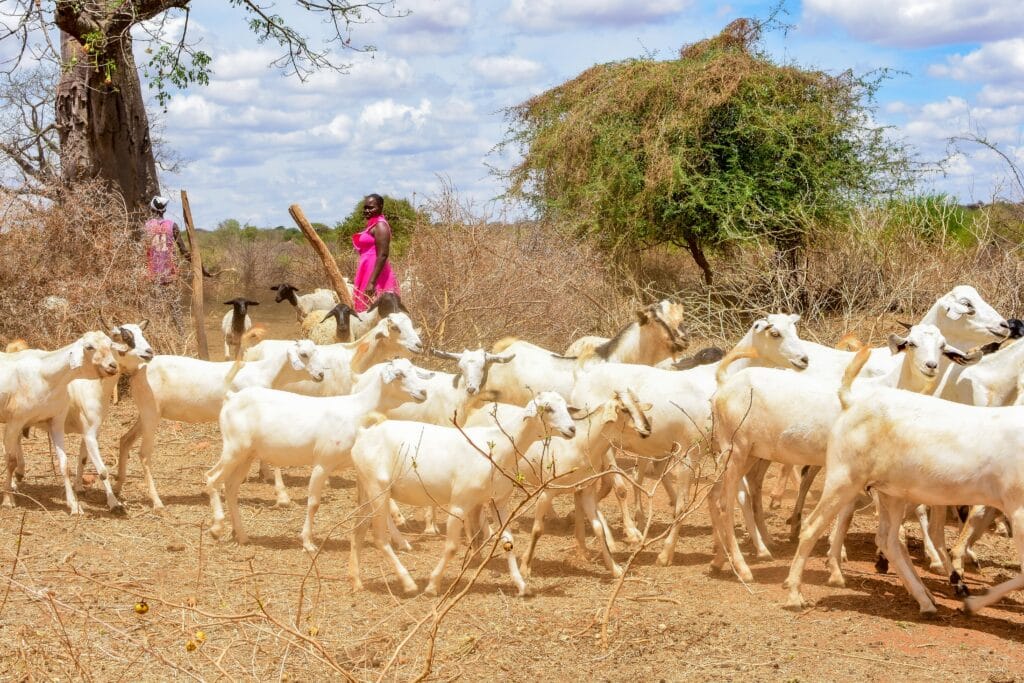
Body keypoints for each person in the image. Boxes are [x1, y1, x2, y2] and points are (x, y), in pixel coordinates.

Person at [352, 193, 400, 311]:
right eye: (365, 208)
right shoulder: (372, 225)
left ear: (381, 207)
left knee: (376, 310)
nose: (367, 210)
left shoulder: (380, 225)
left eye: (371, 207)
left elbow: (383, 255)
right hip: (367, 270)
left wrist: (372, 282)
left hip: (376, 275)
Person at [144, 195, 209, 283]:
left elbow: (143, 250)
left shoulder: (147, 226)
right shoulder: (172, 226)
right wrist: (200, 268)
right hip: (170, 274)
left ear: (152, 209)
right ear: (165, 210)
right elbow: (184, 252)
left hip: (152, 275)